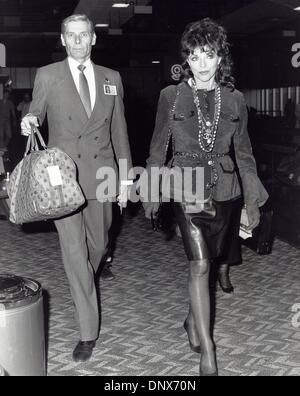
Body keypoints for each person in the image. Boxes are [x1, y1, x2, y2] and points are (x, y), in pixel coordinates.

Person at [143, 18, 268, 376]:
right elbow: (156, 149)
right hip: (188, 189)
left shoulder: (235, 100)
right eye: (194, 55)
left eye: (208, 55)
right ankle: (208, 349)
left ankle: (190, 318)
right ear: (187, 58)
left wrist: (250, 199)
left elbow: (244, 153)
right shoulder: (171, 95)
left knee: (210, 264)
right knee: (198, 264)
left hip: (225, 191)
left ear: (219, 59)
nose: (200, 63)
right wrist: (152, 192)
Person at [21, 14, 132, 362]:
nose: (79, 41)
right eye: (72, 36)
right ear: (63, 39)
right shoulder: (48, 75)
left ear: (93, 40)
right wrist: (28, 120)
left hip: (101, 175)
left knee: (98, 244)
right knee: (74, 254)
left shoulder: (111, 78)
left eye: (84, 35)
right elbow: (35, 113)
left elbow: (121, 133)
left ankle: (84, 280)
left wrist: (125, 179)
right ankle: (88, 332)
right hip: (61, 179)